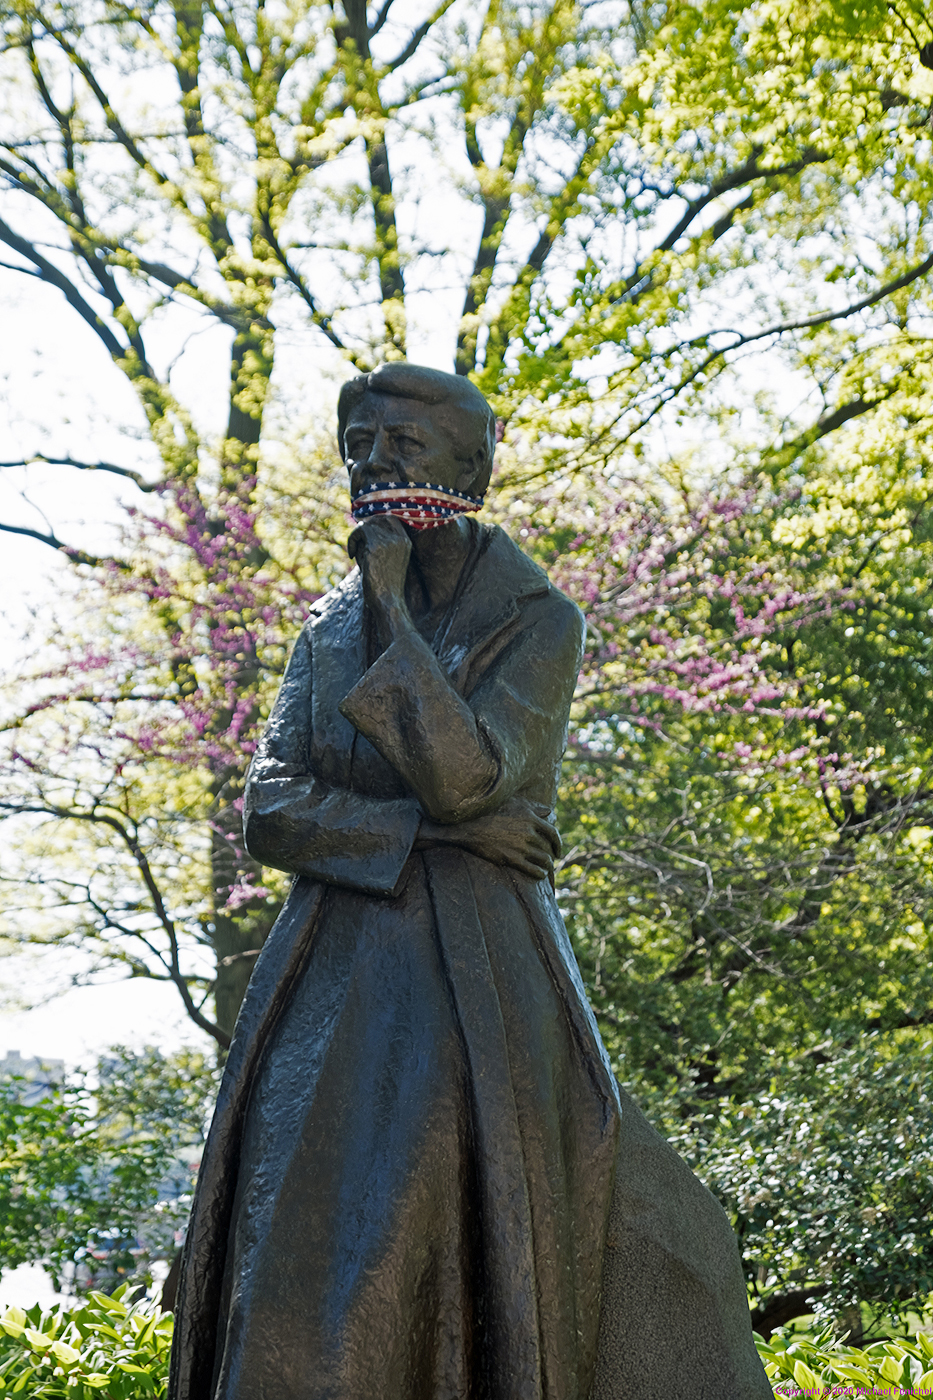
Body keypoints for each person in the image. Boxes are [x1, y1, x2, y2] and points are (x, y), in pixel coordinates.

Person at [168, 364, 772, 1400]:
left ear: (474, 465)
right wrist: (423, 832)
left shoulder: (541, 618)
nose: (373, 465)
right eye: (359, 445)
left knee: (425, 1222)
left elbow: (473, 775)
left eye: (401, 446)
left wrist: (397, 616)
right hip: (322, 978)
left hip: (473, 974)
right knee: (293, 1255)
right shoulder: (322, 629)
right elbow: (268, 805)